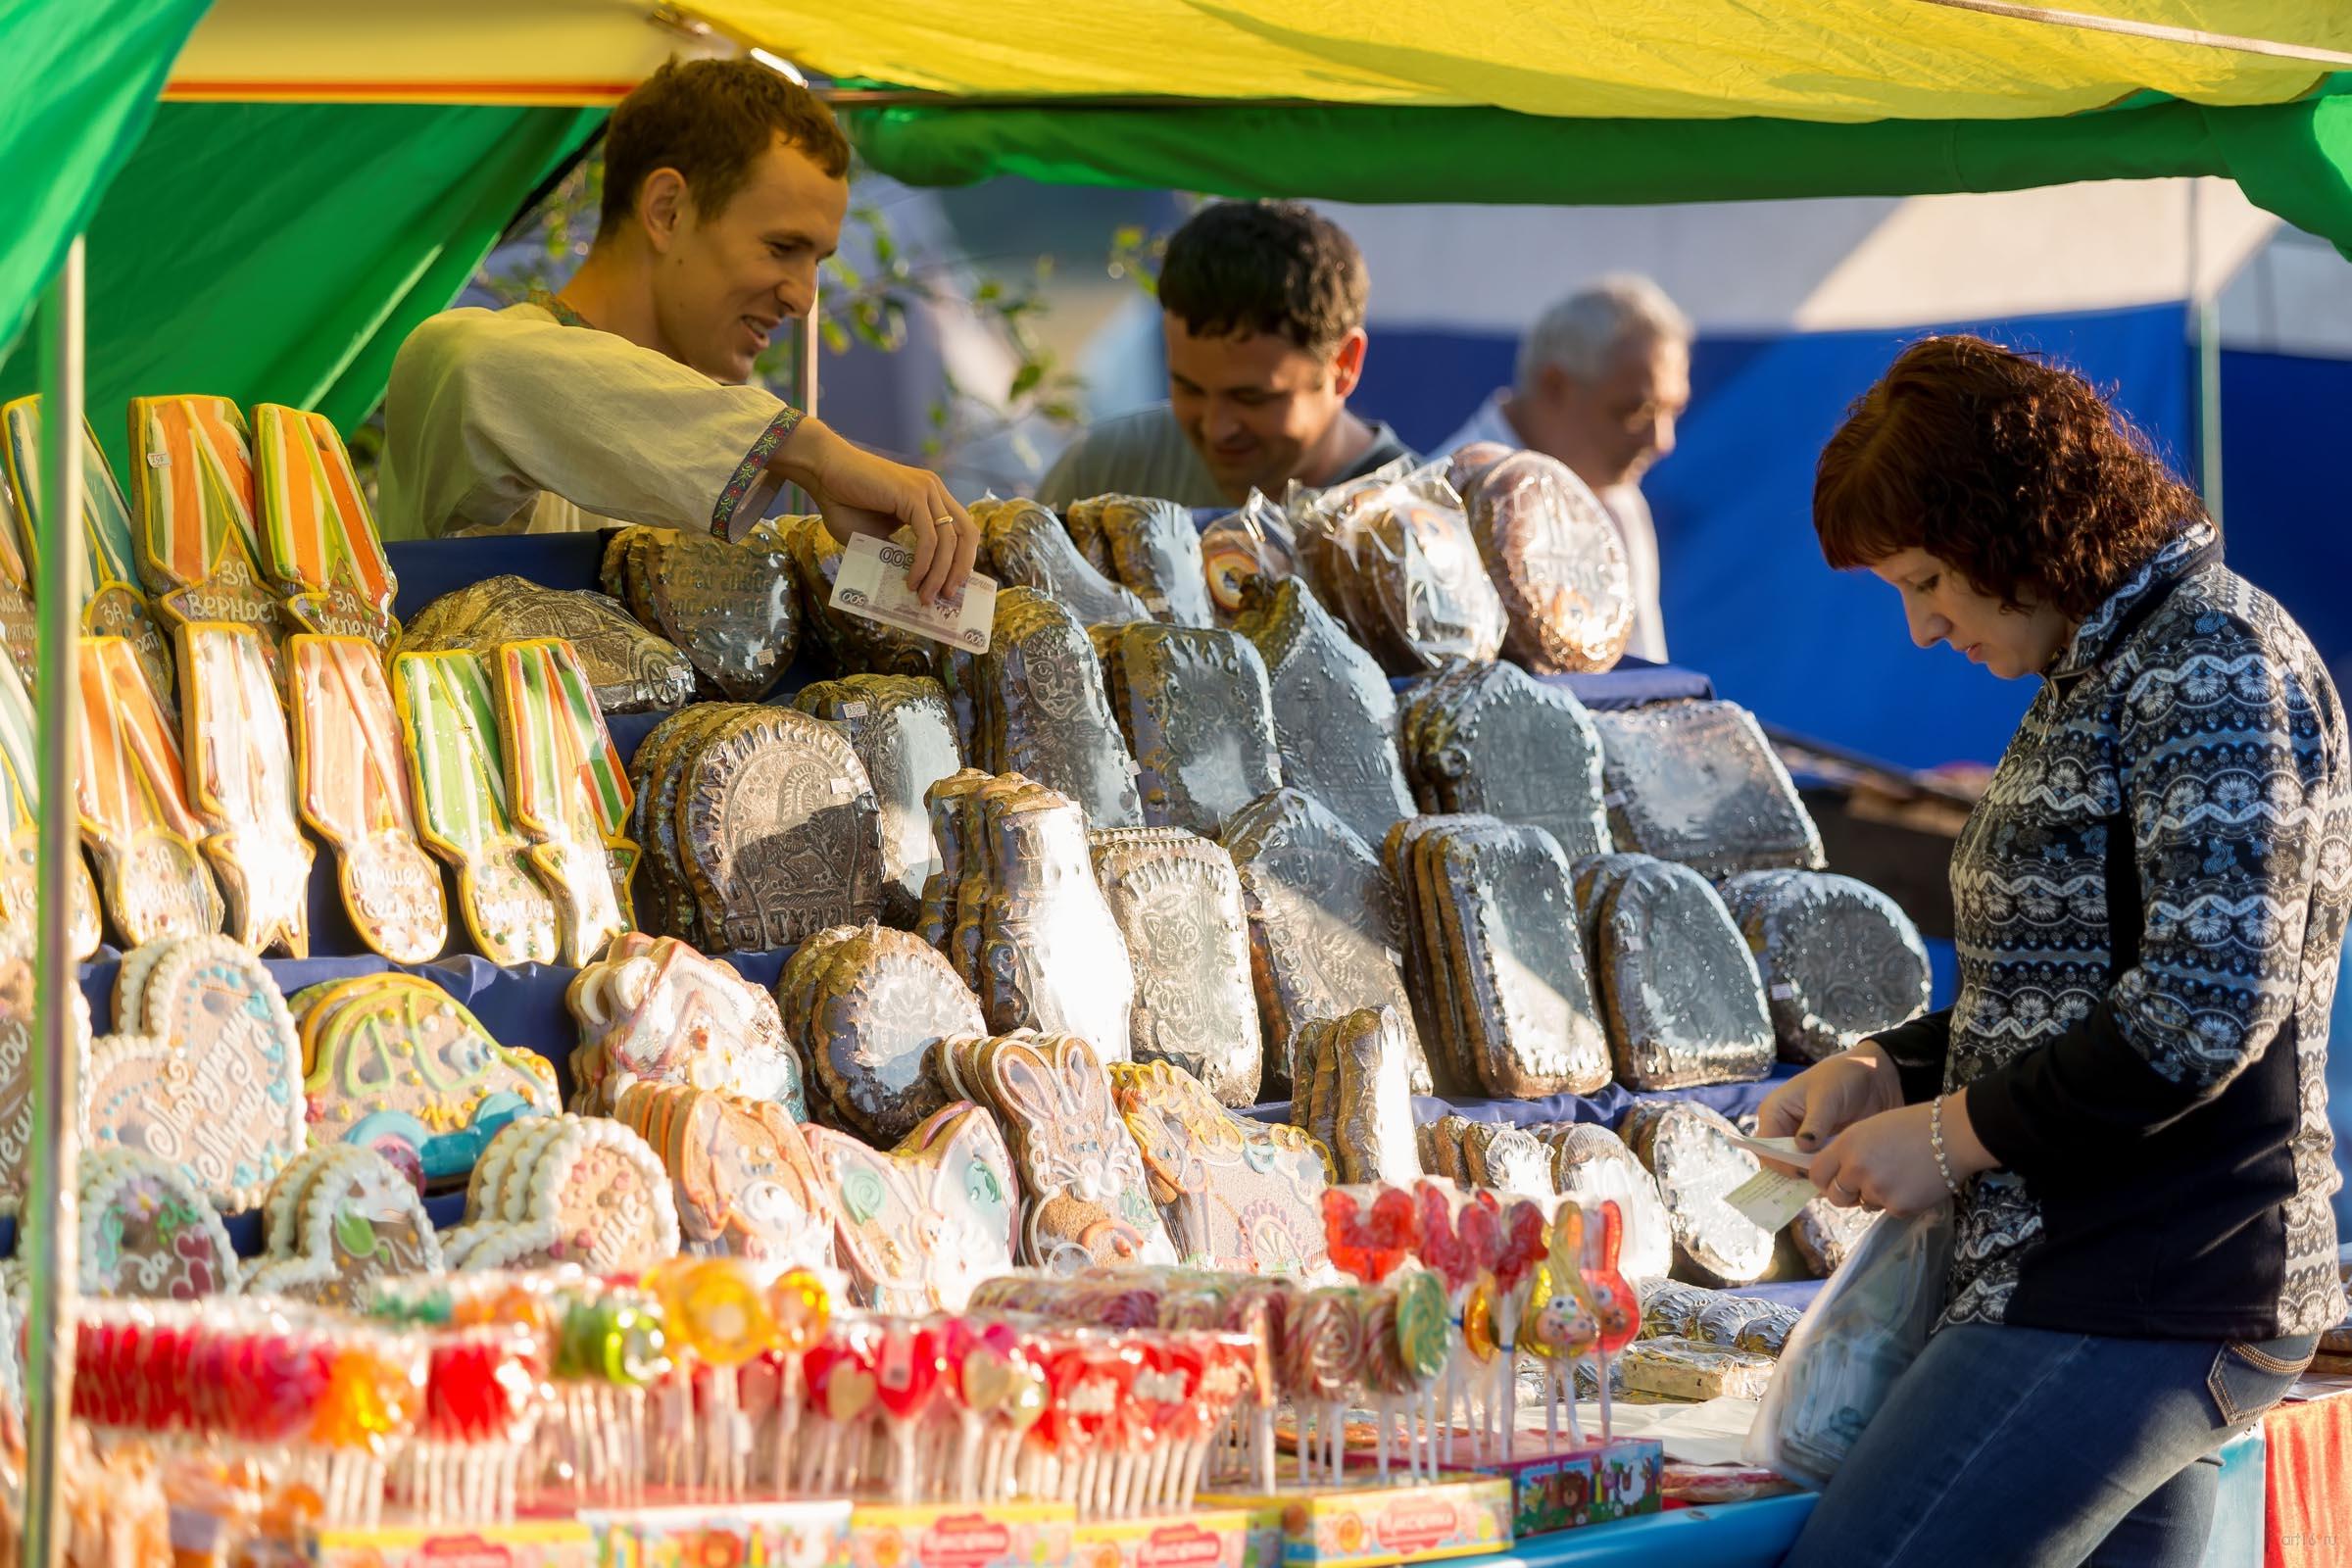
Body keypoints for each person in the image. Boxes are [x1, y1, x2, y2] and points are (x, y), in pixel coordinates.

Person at [1765, 335, 2346, 1568]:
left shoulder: (2208, 656)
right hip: (2110, 1280)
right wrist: (1893, 1068)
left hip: (2143, 1282)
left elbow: (2198, 1014)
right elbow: (2069, 992)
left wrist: (1943, 1139)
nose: (1924, 628)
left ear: (2016, 525)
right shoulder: (2110, 662)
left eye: (1929, 580)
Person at [380, 58, 976, 604]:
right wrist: (813, 454)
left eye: (816, 261)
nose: (803, 296)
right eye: (782, 247)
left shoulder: (704, 444)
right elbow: (477, 362)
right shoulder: (473, 365)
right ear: (667, 210)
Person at [1038, 201, 1414, 509]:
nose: (1217, 428)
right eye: (1190, 390)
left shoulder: (1420, 519)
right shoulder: (1103, 475)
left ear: (1343, 365)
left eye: (1251, 397)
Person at [1438, 275, 1689, 662]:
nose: (1661, 441)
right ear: (1555, 385)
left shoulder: (1619, 502)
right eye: (1637, 412)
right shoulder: (1441, 504)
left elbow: (1646, 682)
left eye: (1674, 411)